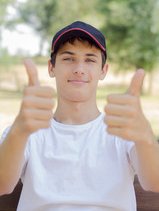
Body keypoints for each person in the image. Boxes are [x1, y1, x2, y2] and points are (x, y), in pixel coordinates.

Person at [0, 21, 159, 211]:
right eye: (68, 58)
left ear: (103, 70)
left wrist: (146, 138)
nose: (79, 69)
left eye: (90, 60)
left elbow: (154, 183)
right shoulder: (25, 132)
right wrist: (19, 131)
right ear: (51, 67)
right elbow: (3, 185)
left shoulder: (123, 131)